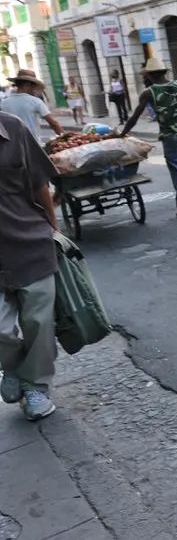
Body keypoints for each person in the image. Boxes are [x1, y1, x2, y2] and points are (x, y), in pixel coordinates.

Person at [0, 111, 61, 421]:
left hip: (30, 244)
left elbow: (39, 184)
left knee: (39, 325)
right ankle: (13, 367)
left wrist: (54, 229)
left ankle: (36, 387)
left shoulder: (13, 127)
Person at [121, 57, 177, 228]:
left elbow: (134, 117)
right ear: (164, 72)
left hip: (170, 137)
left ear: (150, 75)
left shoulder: (149, 92)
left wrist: (122, 134)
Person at [1, 70, 63, 143]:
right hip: (32, 144)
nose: (36, 89)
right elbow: (53, 123)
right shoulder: (35, 101)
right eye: (34, 85)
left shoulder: (3, 102)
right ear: (27, 85)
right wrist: (64, 138)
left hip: (11, 144)